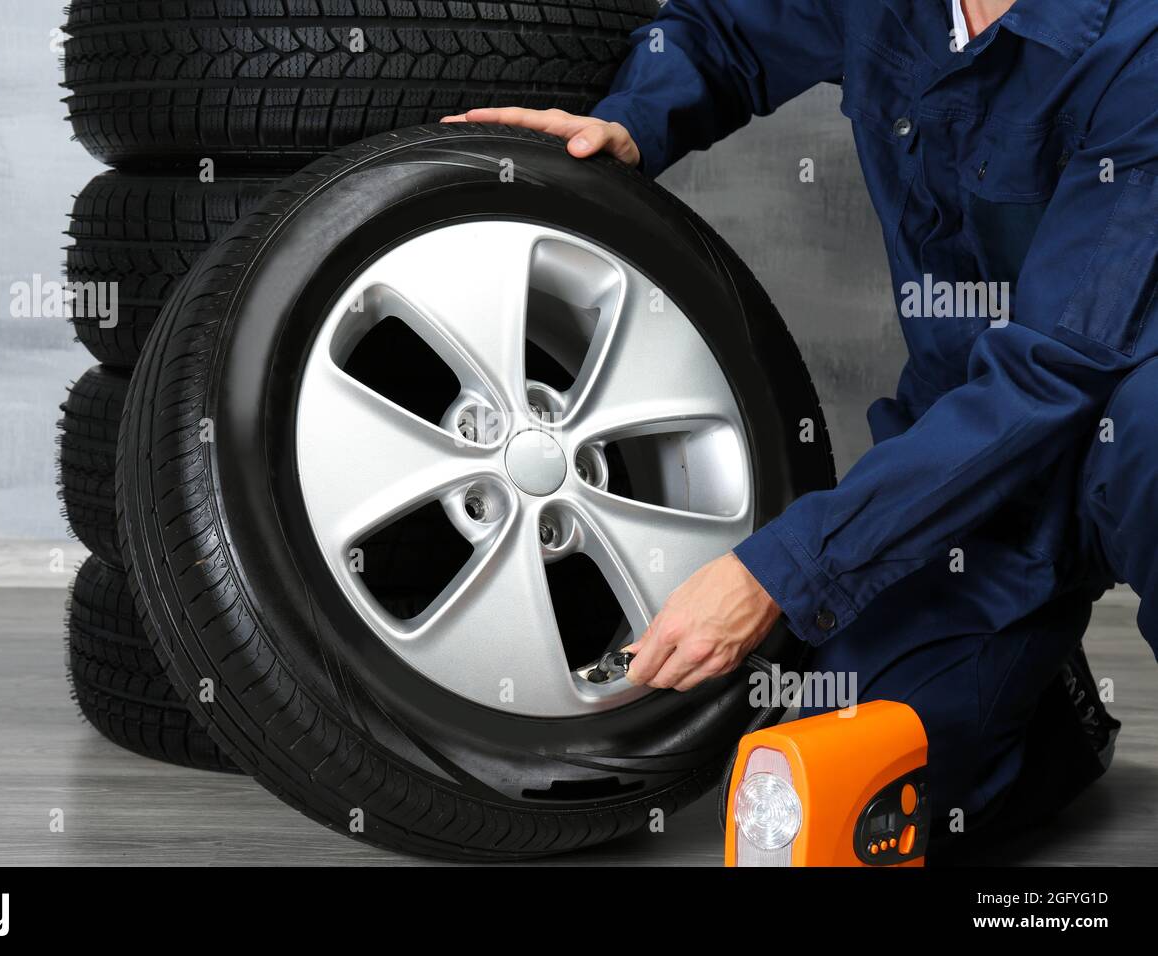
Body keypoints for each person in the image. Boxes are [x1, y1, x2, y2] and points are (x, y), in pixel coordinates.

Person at [445, 0, 1158, 845]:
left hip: (1110, 413)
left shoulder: (1138, 42)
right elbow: (727, 32)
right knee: (827, 790)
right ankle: (1043, 711)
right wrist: (630, 125)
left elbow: (1053, 372)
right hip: (960, 454)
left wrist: (776, 574)